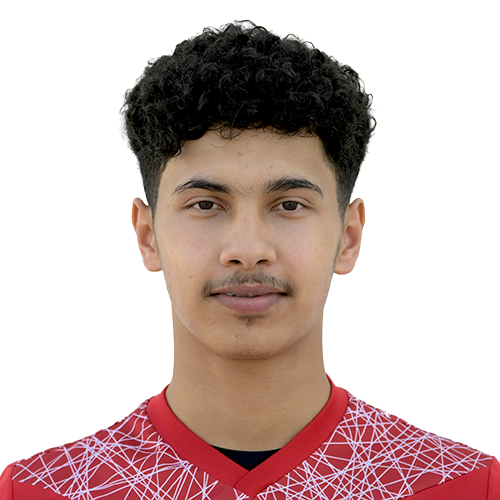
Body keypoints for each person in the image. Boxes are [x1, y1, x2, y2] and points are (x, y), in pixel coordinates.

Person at [1, 19, 497, 500]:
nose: (247, 249)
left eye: (289, 205)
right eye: (205, 204)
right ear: (147, 235)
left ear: (349, 236)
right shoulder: (48, 490)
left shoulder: (457, 486)